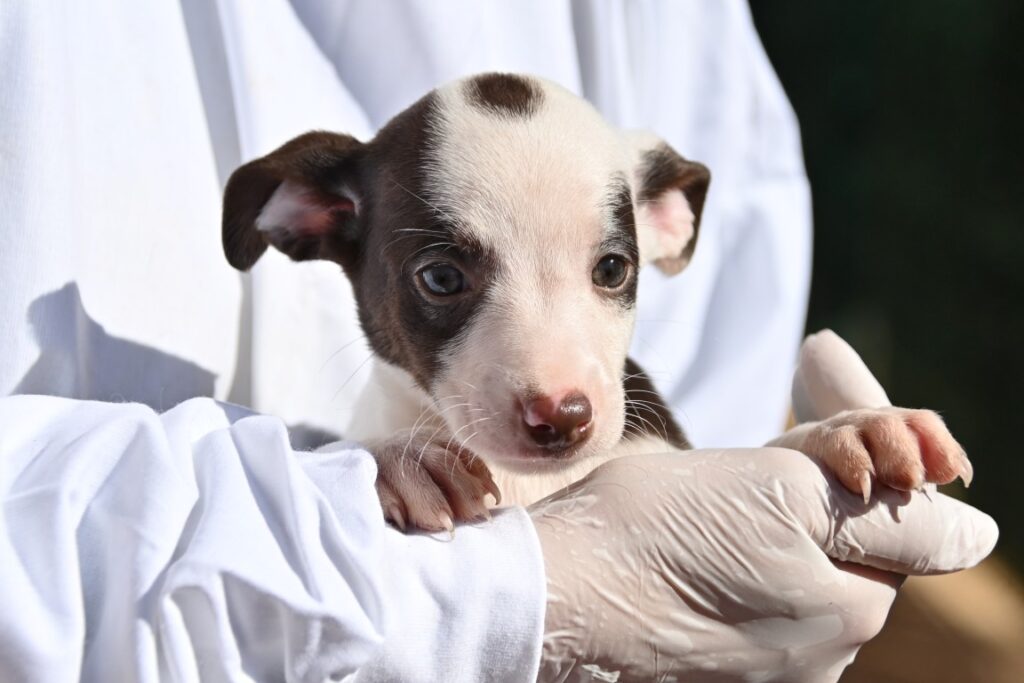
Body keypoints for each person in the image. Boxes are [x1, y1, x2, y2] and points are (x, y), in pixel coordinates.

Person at [0, 1, 996, 681]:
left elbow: (712, 465)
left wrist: (811, 468)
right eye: (447, 277)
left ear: (661, 224)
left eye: (606, 271)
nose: (555, 388)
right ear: (309, 219)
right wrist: (374, 512)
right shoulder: (362, 453)